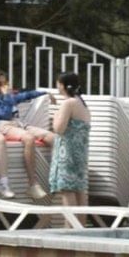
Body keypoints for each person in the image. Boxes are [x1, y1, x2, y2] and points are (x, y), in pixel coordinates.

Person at [0, 71, 51, 197]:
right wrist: (7, 96)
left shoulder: (10, 97)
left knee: (52, 137)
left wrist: (46, 93)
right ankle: (33, 184)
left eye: (6, 82)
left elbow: (26, 95)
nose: (4, 85)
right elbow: (4, 115)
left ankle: (58, 177)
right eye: (1, 83)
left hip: (18, 124)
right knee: (29, 138)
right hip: (2, 125)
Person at [45, 73, 92, 208]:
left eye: (58, 84)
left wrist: (55, 117)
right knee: (79, 189)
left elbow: (59, 129)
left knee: (67, 188)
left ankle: (70, 225)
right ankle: (81, 227)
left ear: (63, 86)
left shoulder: (68, 103)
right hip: (80, 153)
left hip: (67, 152)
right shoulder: (82, 104)